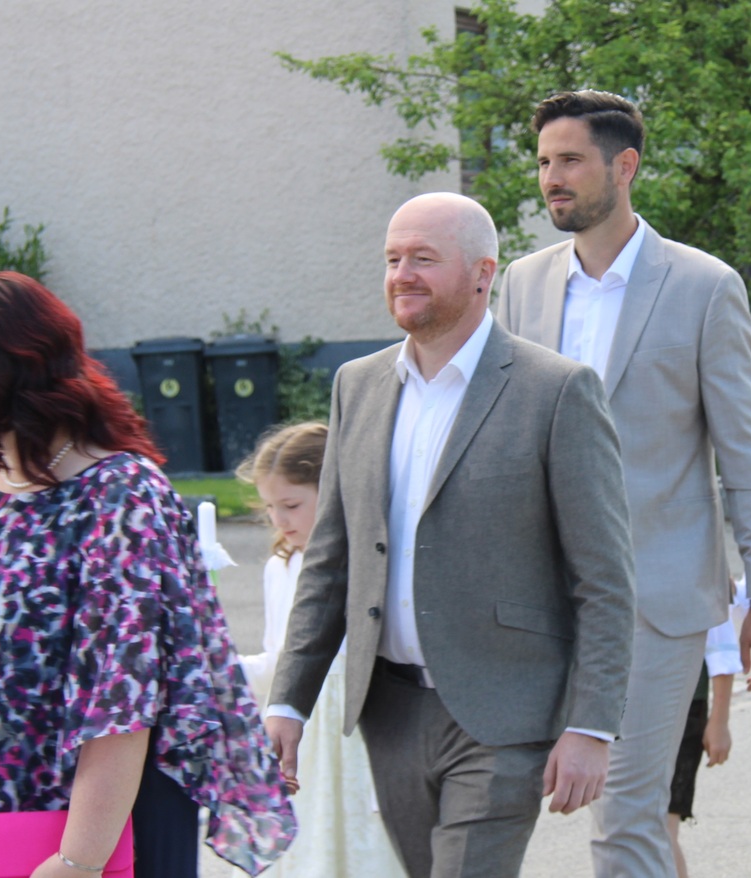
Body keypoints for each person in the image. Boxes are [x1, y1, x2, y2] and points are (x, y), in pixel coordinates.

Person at [266, 192, 637, 877]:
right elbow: (331, 561)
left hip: (505, 710)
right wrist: (289, 700)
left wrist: (591, 724)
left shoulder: (556, 391)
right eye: (392, 259)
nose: (402, 274)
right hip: (390, 712)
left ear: (481, 273)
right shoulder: (357, 385)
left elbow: (605, 578)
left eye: (423, 259)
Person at [0, 271, 294, 877]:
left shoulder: (122, 498)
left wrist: (78, 861)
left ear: (4, 376)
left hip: (82, 829)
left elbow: (121, 699)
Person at [493, 88, 751, 877]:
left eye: (569, 161)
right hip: (537, 599)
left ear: (624, 166)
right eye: (544, 162)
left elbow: (744, 453)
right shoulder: (521, 284)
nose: (551, 178)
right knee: (499, 809)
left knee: (628, 818)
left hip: (655, 600)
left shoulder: (703, 286)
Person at [233, 422, 402, 875]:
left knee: (368, 848)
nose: (278, 520)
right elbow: (279, 662)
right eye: (269, 507)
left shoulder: (372, 560)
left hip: (362, 728)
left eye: (291, 505)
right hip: (305, 735)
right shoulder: (281, 567)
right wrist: (217, 667)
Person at [664, 611, 739, 878]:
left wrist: (719, 720)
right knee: (623, 826)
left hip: (683, 706)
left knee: (660, 827)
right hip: (626, 707)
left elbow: (721, 644)